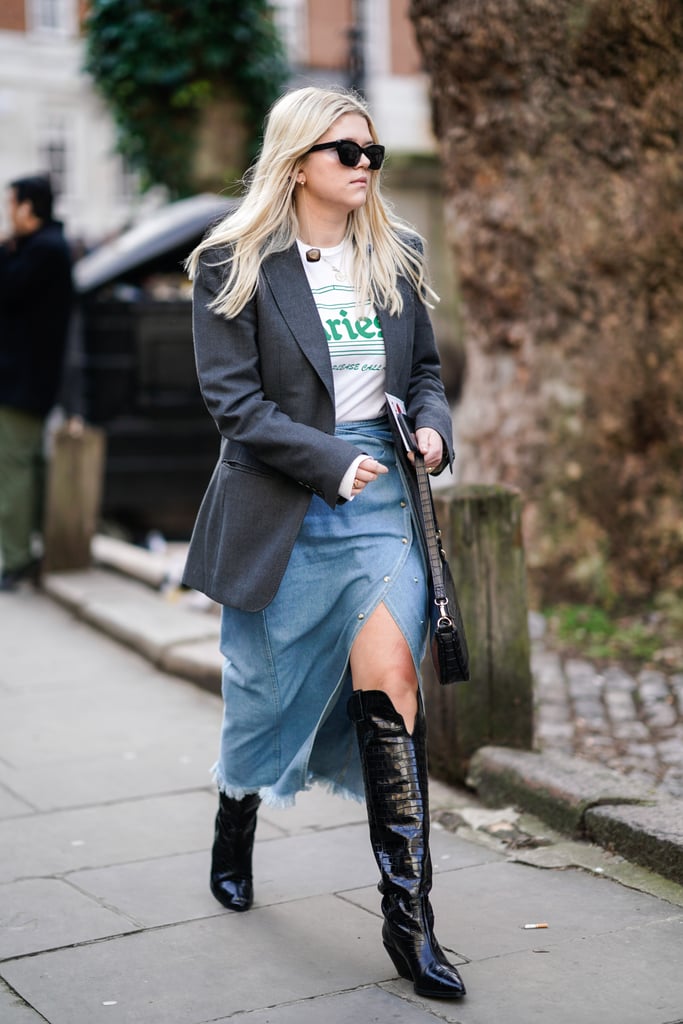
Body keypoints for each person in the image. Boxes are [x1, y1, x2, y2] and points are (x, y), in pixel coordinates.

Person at [183, 85, 466, 1001]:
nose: (365, 168)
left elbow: (424, 372)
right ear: (299, 158)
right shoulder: (235, 261)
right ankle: (237, 808)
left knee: (390, 673)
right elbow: (235, 407)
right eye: (348, 152)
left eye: (373, 153)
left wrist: (429, 429)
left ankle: (408, 921)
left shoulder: (397, 251)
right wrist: (326, 462)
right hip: (283, 508)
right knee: (264, 701)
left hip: (384, 506)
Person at [0, 175, 74, 591]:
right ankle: (34, 552)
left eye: (12, 203)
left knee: (13, 471)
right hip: (28, 382)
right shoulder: (44, 248)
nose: (8, 212)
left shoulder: (43, 251)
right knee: (28, 469)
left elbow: (8, 290)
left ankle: (16, 559)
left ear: (29, 208)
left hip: (21, 384)